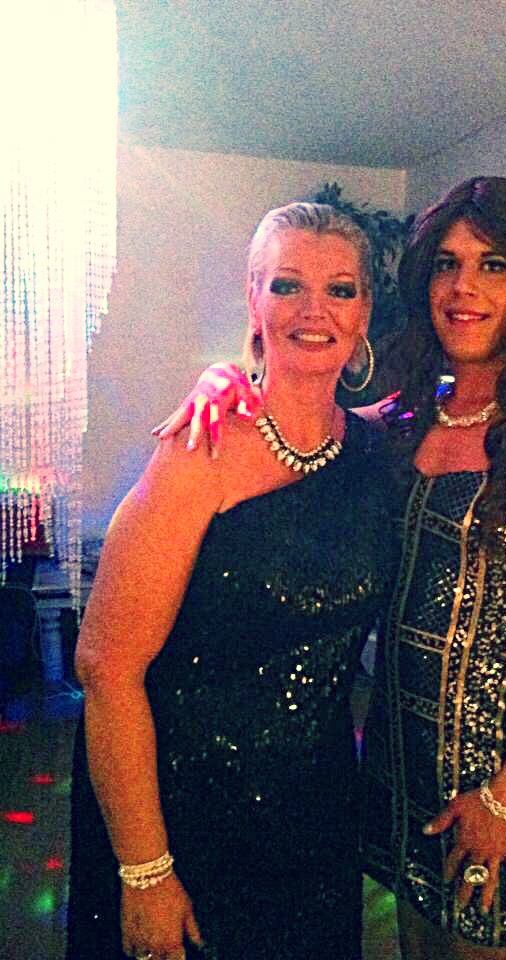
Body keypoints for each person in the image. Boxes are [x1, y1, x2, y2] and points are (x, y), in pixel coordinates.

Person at [153, 176, 506, 959]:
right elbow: (306, 421)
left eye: (494, 264)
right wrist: (229, 381)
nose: (464, 287)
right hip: (388, 767)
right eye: (447, 263)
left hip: (496, 778)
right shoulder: (403, 419)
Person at [66, 202, 401, 960]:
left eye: (340, 290)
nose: (314, 310)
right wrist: (146, 870)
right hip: (182, 811)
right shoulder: (199, 449)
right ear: (254, 300)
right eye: (287, 285)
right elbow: (106, 667)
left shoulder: (377, 448)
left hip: (314, 809)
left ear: (363, 315)